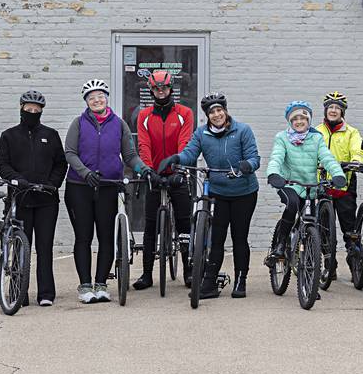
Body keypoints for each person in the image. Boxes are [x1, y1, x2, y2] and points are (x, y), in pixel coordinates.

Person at [160, 92, 260, 298]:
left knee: (239, 237)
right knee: (216, 239)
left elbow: (254, 157)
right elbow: (190, 153)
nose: (216, 115)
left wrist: (247, 165)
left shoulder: (242, 130)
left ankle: (241, 281)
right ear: (207, 115)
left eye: (219, 110)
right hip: (218, 192)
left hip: (244, 192)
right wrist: (176, 158)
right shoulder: (201, 134)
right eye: (211, 112)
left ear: (225, 110)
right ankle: (210, 283)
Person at [65, 79, 149, 304]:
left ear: (106, 98)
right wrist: (85, 173)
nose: (96, 100)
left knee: (105, 237)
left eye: (100, 96)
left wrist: (143, 169)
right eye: (91, 98)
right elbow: (70, 153)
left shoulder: (119, 124)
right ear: (86, 102)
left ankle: (101, 283)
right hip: (80, 187)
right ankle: (85, 286)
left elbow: (130, 155)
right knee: (83, 237)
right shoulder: (78, 123)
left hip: (109, 186)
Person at [0, 90, 67, 307]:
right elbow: (2, 165)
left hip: (46, 200)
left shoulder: (51, 134)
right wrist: (16, 179)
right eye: (29, 109)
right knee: (19, 248)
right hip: (21, 199)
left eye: (37, 110)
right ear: (21, 109)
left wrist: (53, 183)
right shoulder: (9, 135)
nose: (32, 113)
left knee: (44, 247)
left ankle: (46, 293)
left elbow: (60, 163)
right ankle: (19, 293)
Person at [132, 70, 194, 291]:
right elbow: (144, 144)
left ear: (171, 89)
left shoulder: (185, 113)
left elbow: (185, 142)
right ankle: (147, 273)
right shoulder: (144, 115)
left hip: (177, 173)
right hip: (155, 173)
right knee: (150, 225)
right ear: (151, 91)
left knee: (184, 222)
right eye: (157, 89)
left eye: (165, 88)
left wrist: (179, 168)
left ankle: (188, 270)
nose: (161, 92)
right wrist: (148, 170)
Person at [266, 101, 346, 266]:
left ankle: (310, 272)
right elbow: (276, 157)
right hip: (288, 183)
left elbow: (327, 157)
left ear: (308, 120)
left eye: (303, 118)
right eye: (295, 119)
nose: (299, 121)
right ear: (290, 121)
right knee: (292, 204)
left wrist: (338, 174)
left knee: (311, 222)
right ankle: (280, 245)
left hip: (310, 187)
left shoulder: (316, 137)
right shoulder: (282, 138)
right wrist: (273, 173)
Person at [315, 92, 363, 281]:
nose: (333, 111)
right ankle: (330, 265)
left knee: (349, 228)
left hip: (344, 184)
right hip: (322, 185)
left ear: (342, 111)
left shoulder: (351, 132)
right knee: (324, 229)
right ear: (326, 110)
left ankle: (355, 266)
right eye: (330, 107)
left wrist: (355, 161)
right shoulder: (316, 131)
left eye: (337, 108)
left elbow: (357, 151)